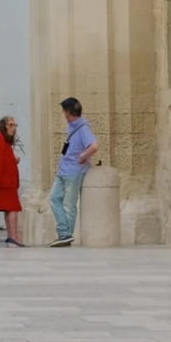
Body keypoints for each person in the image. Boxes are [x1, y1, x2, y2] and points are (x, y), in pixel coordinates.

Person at [49, 96, 99, 247]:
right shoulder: (72, 127)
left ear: (69, 112)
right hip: (63, 169)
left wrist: (83, 156)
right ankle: (64, 232)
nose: (64, 115)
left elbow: (94, 146)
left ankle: (65, 235)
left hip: (74, 170)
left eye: (65, 111)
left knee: (69, 204)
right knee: (54, 198)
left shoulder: (83, 128)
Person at [0, 116, 23, 246]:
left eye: (15, 125)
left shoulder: (1, 139)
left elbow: (4, 158)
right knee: (13, 208)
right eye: (11, 125)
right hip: (4, 182)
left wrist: (14, 160)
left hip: (6, 181)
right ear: (4, 125)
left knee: (10, 209)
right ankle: (13, 237)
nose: (13, 128)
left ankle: (11, 237)